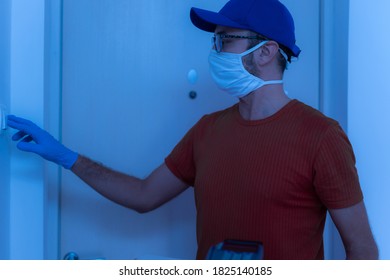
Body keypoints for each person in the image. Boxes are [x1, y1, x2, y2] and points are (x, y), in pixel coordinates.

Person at [7, 0, 378, 260]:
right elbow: (143, 195)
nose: (215, 51)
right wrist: (65, 156)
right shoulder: (206, 131)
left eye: (226, 39)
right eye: (215, 41)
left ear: (266, 52)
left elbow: (362, 250)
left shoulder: (320, 136)